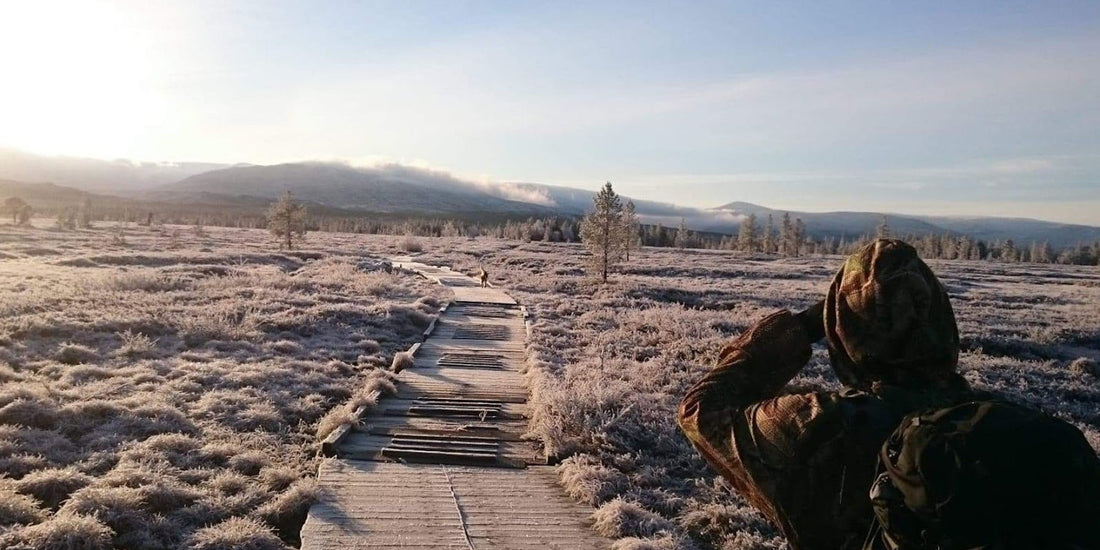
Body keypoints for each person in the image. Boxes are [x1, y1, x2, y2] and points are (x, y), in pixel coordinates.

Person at [677, 239, 1100, 549]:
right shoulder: (1016, 431)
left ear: (843, 335)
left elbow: (701, 409)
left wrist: (802, 328)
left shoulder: (814, 425)